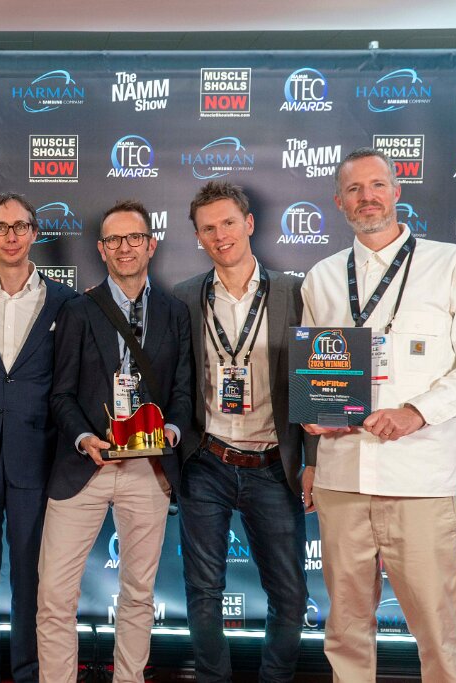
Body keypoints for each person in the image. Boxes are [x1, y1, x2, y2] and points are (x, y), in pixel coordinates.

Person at [301, 147, 456, 682]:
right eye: (353, 189)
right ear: (338, 201)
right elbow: (317, 375)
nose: (366, 197)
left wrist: (417, 411)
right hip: (342, 479)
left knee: (438, 631)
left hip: (420, 479)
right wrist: (315, 427)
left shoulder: (453, 264)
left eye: (377, 185)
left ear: (397, 191)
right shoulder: (322, 277)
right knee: (345, 631)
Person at [37, 199, 193, 682]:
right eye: (114, 240)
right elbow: (60, 393)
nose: (125, 247)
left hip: (149, 468)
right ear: (101, 249)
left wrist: (170, 432)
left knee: (139, 593)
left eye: (134, 238)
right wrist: (85, 437)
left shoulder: (175, 312)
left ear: (151, 244)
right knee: (54, 595)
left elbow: (183, 392)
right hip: (85, 467)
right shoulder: (78, 310)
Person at [172, 181, 309, 682]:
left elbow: (318, 383)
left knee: (290, 595)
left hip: (273, 465)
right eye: (208, 228)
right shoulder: (185, 297)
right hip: (207, 461)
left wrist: (313, 459)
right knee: (203, 591)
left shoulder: (295, 293)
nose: (220, 235)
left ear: (249, 224)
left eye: (228, 222)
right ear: (198, 237)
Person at [0, 192, 77, 683]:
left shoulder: (65, 301)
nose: (11, 236)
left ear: (34, 232)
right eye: (0, 227)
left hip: (36, 456)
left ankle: (29, 670)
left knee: (32, 577)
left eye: (20, 226)